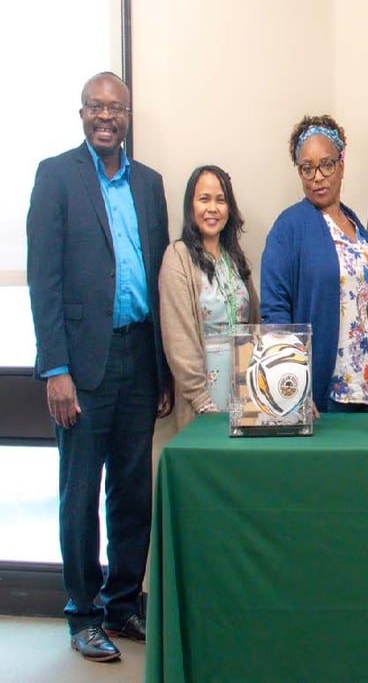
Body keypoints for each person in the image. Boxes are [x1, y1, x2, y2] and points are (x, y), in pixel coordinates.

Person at [26, 71, 171, 661]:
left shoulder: (150, 184)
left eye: (116, 108)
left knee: (133, 489)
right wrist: (54, 367)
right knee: (80, 492)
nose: (106, 116)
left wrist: (161, 368)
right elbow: (45, 280)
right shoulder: (57, 176)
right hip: (83, 362)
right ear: (82, 113)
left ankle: (121, 602)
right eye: (96, 107)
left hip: (140, 353)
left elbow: (161, 275)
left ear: (128, 116)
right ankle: (81, 613)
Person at [262, 114, 368, 413]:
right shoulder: (289, 227)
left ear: (341, 164)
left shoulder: (356, 225)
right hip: (322, 396)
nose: (317, 176)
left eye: (326, 164)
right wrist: (291, 388)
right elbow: (275, 312)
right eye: (307, 168)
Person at [159, 165, 259, 430]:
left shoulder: (234, 258)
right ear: (190, 206)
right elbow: (177, 337)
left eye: (220, 200)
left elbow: (255, 325)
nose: (212, 208)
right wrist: (201, 400)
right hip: (202, 398)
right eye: (204, 199)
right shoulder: (177, 257)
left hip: (246, 393)